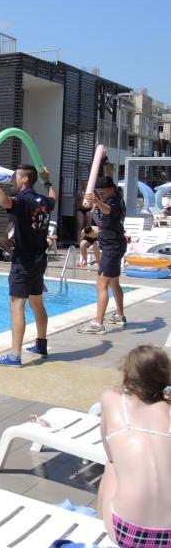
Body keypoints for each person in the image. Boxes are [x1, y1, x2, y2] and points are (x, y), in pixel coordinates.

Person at [0, 161, 56, 366]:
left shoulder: (22, 200)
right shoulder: (42, 200)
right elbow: (53, 199)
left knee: (17, 305)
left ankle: (15, 356)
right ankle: (41, 344)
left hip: (24, 261)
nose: (11, 180)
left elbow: (5, 202)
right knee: (37, 301)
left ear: (25, 179)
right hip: (40, 259)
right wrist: (47, 181)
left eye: (14, 177)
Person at [96, 344, 171, 547]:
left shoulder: (111, 399)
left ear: (127, 374)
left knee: (111, 464)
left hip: (129, 531)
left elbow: (109, 451)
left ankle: (98, 521)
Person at [79, 177, 127, 334]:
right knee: (114, 283)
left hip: (112, 248)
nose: (102, 195)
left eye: (103, 192)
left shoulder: (113, 202)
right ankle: (119, 315)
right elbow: (108, 177)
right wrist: (105, 160)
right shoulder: (116, 197)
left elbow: (108, 210)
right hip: (114, 246)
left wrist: (98, 202)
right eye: (99, 193)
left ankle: (98, 324)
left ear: (111, 189)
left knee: (101, 285)